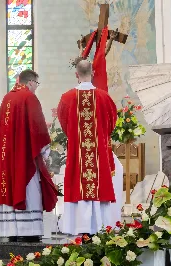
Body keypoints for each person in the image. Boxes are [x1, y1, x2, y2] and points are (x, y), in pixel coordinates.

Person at [0, 69, 58, 243]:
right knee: (29, 190)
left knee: (10, 188)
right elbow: (38, 127)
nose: (36, 88)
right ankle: (29, 230)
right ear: (31, 82)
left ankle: (12, 230)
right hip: (25, 156)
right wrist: (44, 150)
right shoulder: (29, 97)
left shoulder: (7, 98)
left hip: (8, 156)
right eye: (36, 85)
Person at [57, 60, 117, 236]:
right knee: (99, 184)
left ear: (76, 74)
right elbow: (112, 122)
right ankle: (101, 228)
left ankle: (80, 228)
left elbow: (64, 124)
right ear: (93, 73)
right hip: (98, 153)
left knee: (78, 184)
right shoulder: (104, 97)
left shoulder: (67, 98)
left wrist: (77, 137)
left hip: (78, 152)